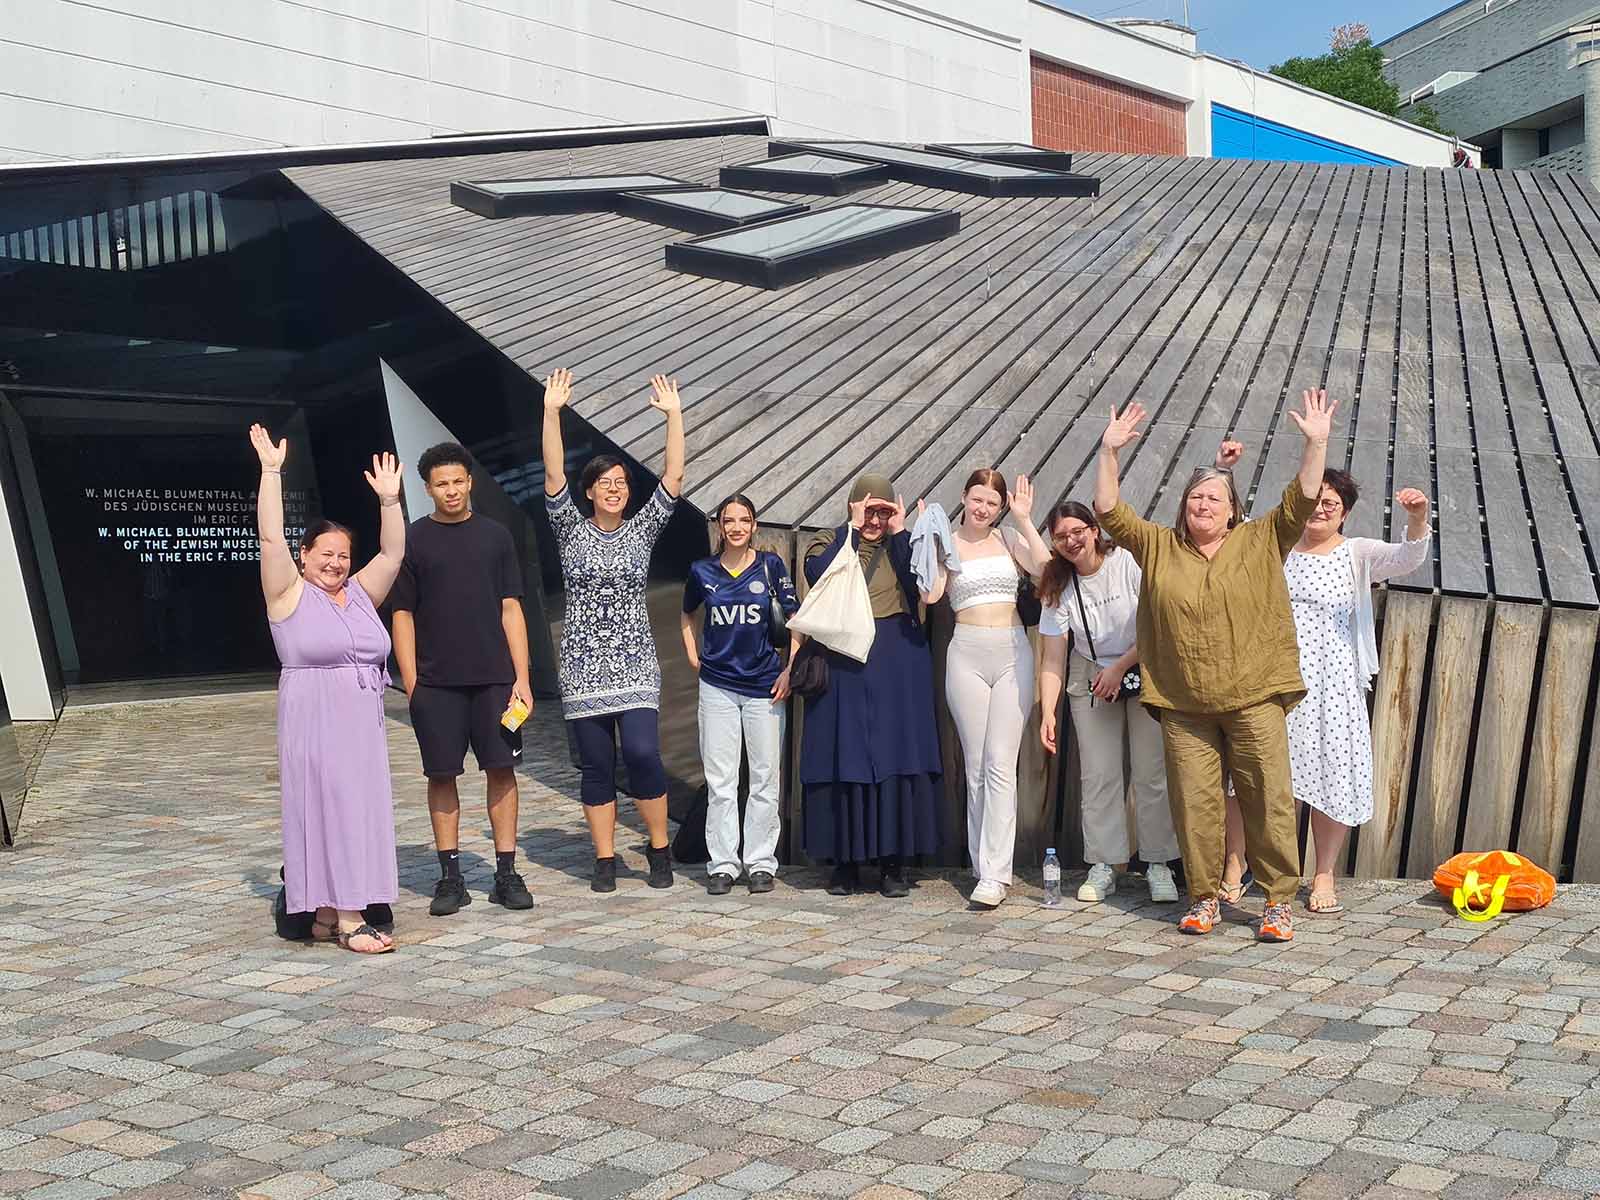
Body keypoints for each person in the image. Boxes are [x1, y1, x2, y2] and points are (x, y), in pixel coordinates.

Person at [1093, 388, 1336, 944]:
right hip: (1184, 703)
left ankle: (1277, 901)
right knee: (1195, 805)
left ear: (1232, 510)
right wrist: (1108, 452)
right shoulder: (1158, 545)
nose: (1202, 504)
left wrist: (1316, 444)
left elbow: (1302, 498)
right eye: (1195, 497)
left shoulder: (1261, 538)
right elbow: (1109, 511)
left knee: (1268, 799)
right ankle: (1204, 898)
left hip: (1253, 694)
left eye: (1213, 498)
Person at [1218, 463, 1432, 915]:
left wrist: (1417, 518)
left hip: (1332, 685)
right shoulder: (1274, 543)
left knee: (1331, 774)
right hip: (1270, 679)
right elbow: (1230, 528)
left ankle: (1323, 872)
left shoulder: (1356, 553)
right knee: (1249, 775)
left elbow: (1407, 558)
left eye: (1330, 504)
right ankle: (1236, 863)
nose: (1319, 509)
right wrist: (1226, 471)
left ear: (1344, 512)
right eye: (1314, 500)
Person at [251, 424, 404, 955]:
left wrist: (389, 501)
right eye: (326, 554)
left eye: (343, 555)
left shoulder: (359, 593)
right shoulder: (287, 593)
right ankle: (351, 918)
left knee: (355, 810)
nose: (336, 563)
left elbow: (392, 555)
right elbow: (270, 538)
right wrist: (271, 472)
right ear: (304, 554)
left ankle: (323, 914)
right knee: (330, 808)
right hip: (314, 718)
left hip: (362, 725)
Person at [542, 367, 684, 893]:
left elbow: (673, 479)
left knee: (643, 754)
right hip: (583, 668)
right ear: (589, 492)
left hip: (635, 664)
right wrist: (551, 412)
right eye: (605, 483)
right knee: (597, 765)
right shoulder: (569, 531)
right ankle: (605, 859)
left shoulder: (641, 531)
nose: (615, 489)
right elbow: (552, 474)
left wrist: (674, 417)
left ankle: (659, 848)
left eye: (621, 483)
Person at [391, 442, 535, 917]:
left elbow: (511, 608)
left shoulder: (496, 537)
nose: (451, 490)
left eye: (457, 481)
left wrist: (522, 678)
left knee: (502, 771)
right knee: (441, 776)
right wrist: (412, 683)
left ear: (470, 482)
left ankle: (506, 872)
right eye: (441, 484)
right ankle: (450, 877)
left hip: (495, 681)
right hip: (436, 685)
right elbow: (403, 614)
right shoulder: (413, 540)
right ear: (427, 488)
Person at [800, 474, 943, 898]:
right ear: (853, 506)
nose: (875, 519)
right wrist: (852, 527)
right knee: (843, 755)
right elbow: (817, 573)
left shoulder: (903, 543)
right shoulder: (829, 539)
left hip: (897, 659)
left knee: (895, 756)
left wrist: (900, 532)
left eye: (883, 511)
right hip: (842, 658)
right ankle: (843, 863)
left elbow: (920, 584)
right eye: (869, 510)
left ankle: (892, 864)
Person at [918, 469, 1050, 909]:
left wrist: (1024, 519)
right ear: (964, 497)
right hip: (966, 652)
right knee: (975, 766)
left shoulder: (1009, 539)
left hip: (1012, 651)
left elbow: (1046, 570)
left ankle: (996, 872)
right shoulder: (949, 542)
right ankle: (982, 864)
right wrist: (929, 541)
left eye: (992, 503)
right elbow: (931, 595)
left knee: (1000, 763)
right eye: (977, 499)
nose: (983, 509)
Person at [1036, 501, 1179, 905]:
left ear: (1094, 530)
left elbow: (1157, 622)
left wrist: (1119, 667)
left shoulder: (1126, 561)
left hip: (1142, 663)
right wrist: (1047, 711)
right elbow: (1052, 657)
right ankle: (1104, 862)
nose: (1071, 541)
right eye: (1061, 536)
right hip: (1090, 673)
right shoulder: (1058, 584)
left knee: (1152, 771)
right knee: (1099, 774)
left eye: (1077, 531)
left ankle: (1158, 862)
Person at [679, 495, 801, 895]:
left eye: (743, 520)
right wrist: (692, 654)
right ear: (719, 526)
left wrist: (789, 669)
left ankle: (761, 862)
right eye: (729, 520)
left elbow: (796, 620)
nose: (736, 527)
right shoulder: (702, 570)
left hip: (764, 685)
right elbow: (687, 613)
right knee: (721, 781)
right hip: (717, 685)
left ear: (754, 525)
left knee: (765, 777)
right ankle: (723, 864)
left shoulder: (770, 566)